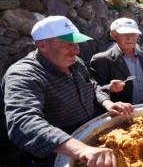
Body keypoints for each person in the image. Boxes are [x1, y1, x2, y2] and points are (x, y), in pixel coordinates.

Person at [0, 16, 133, 166]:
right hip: (57, 154)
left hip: (93, 140)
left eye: (76, 43)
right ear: (42, 45)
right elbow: (22, 122)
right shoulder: (23, 74)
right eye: (68, 44)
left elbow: (92, 86)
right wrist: (80, 149)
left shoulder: (76, 64)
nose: (76, 50)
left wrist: (107, 102)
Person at [90, 17, 143, 105]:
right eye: (124, 34)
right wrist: (110, 88)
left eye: (133, 34)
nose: (129, 38)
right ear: (113, 34)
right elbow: (96, 89)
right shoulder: (102, 60)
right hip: (124, 112)